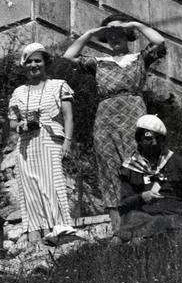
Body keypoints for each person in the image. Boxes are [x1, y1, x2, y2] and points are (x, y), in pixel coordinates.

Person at [62, 16, 167, 234]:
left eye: (119, 33)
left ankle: (141, 227)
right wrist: (92, 33)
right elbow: (68, 56)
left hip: (134, 116)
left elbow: (159, 43)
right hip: (105, 120)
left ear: (127, 35)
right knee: (109, 172)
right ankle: (119, 230)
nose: (114, 38)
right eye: (109, 35)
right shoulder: (99, 62)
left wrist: (135, 24)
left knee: (138, 167)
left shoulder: (139, 58)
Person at [7, 43, 76, 242]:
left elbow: (68, 116)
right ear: (24, 65)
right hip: (26, 146)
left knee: (53, 185)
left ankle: (60, 231)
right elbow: (12, 120)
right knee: (30, 189)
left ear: (45, 62)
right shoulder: (19, 92)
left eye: (38, 60)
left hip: (50, 141)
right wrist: (18, 126)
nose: (34, 65)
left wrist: (67, 142)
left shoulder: (58, 85)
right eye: (29, 61)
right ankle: (36, 236)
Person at [118, 115, 182, 240]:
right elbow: (124, 205)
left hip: (173, 220)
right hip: (143, 221)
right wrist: (142, 197)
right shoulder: (130, 167)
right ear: (139, 140)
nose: (153, 142)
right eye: (148, 138)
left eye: (157, 138)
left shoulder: (176, 162)